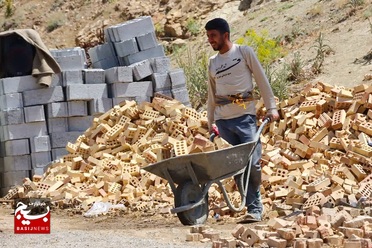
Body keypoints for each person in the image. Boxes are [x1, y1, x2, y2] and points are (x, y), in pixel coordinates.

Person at [205, 17, 280, 222]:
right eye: (208, 36)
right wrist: (210, 123)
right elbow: (211, 95)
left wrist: (271, 107)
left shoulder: (243, 52)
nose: (210, 40)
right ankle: (253, 208)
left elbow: (262, 80)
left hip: (245, 117)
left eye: (213, 36)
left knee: (253, 163)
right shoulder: (213, 63)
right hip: (223, 122)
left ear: (225, 35)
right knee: (237, 167)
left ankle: (255, 204)